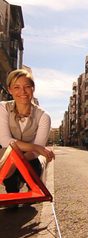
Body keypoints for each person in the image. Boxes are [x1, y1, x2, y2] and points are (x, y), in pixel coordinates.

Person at [0, 69, 55, 208]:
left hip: (31, 159)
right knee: (11, 200)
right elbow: (4, 140)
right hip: (7, 155)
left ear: (33, 89)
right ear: (10, 90)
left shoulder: (44, 116)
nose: (22, 92)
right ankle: (12, 190)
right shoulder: (2, 107)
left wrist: (21, 160)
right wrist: (35, 147)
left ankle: (31, 188)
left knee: (34, 170)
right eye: (16, 87)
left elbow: (36, 153)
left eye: (27, 87)